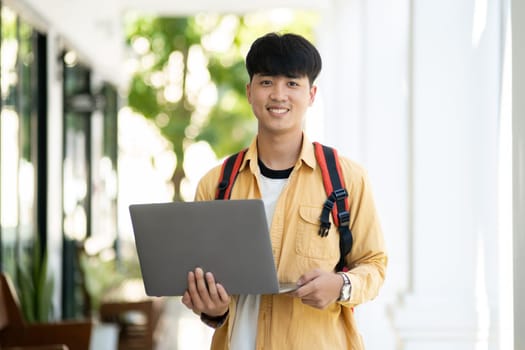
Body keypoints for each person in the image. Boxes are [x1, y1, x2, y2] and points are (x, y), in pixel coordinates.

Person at [181, 32, 387, 350]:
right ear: (250, 92)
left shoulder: (347, 179)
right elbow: (206, 287)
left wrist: (340, 285)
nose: (278, 95)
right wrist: (212, 309)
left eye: (292, 83)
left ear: (312, 94)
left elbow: (374, 264)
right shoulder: (216, 184)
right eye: (266, 82)